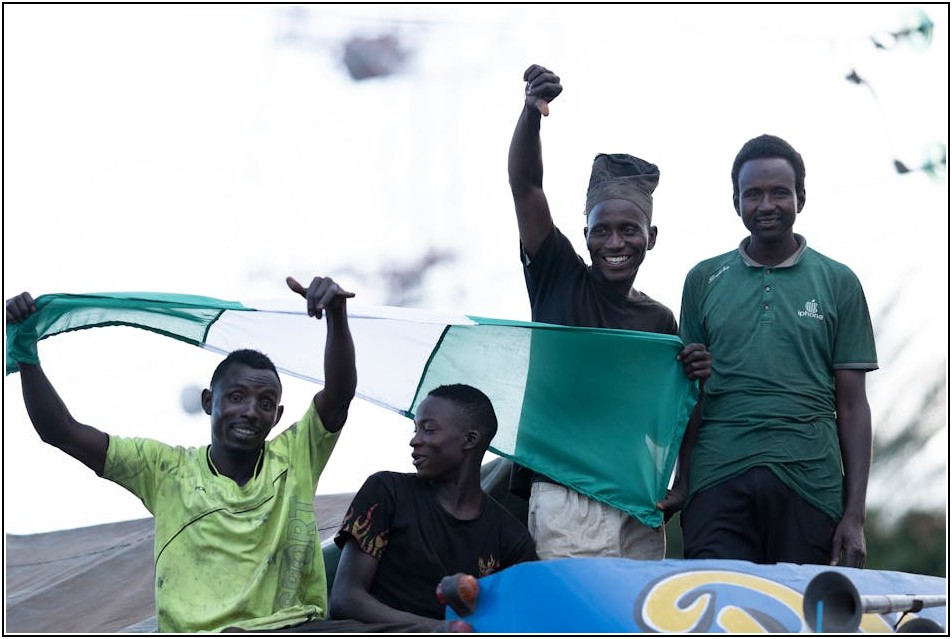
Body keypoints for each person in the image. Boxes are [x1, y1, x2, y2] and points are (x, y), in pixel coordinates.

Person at [5, 275, 358, 633]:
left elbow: (338, 396)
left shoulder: (295, 456)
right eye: (237, 397)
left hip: (291, 628)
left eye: (265, 403)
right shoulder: (166, 470)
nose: (251, 411)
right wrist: (26, 354)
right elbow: (61, 431)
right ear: (208, 402)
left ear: (277, 417)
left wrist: (336, 315)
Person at [507, 63, 711, 561]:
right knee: (577, 606)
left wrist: (683, 479)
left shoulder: (659, 321)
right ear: (585, 237)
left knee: (635, 607)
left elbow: (667, 419)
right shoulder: (558, 276)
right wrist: (531, 114)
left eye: (628, 230)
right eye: (601, 231)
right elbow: (526, 188)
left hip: (637, 496)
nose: (614, 242)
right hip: (566, 491)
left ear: (651, 238)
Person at [676, 134, 878, 567]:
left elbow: (852, 405)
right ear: (736, 202)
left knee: (801, 609)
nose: (766, 204)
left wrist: (855, 515)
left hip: (812, 483)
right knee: (720, 603)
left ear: (800, 197)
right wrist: (683, 482)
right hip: (717, 479)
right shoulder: (702, 280)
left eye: (779, 192)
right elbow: (689, 394)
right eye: (753, 194)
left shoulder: (838, 281)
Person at [330, 384, 537, 629]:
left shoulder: (511, 538)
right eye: (416, 429)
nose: (414, 440)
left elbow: (516, 621)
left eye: (428, 430)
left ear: (470, 440)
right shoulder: (387, 491)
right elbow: (345, 599)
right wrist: (439, 629)